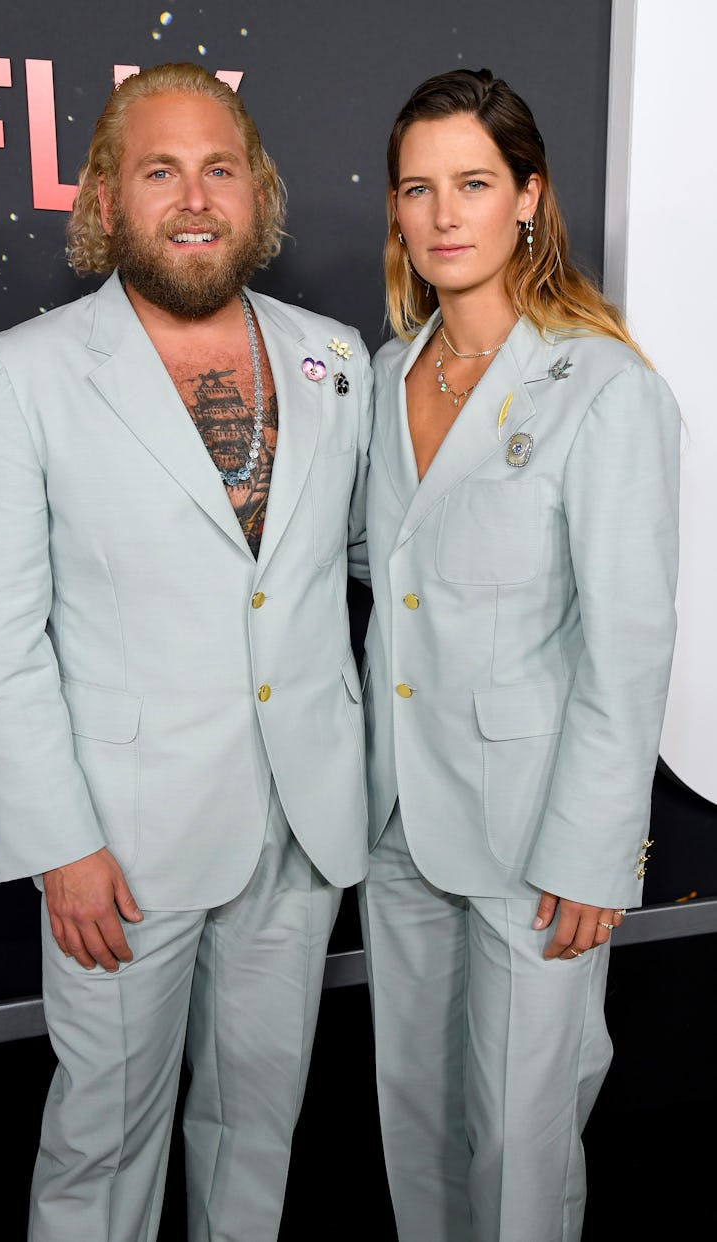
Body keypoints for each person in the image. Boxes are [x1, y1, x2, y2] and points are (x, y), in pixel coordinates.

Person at [0, 62, 371, 1242]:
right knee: (105, 1138)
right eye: (160, 171)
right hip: (120, 846)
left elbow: (372, 557)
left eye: (220, 169)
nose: (194, 198)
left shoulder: (339, 358)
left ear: (257, 191)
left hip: (300, 824)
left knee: (258, 1124)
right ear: (106, 197)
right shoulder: (19, 378)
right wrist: (59, 845)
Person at [360, 68, 680, 1242]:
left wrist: (595, 854)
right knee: (416, 1117)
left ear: (529, 197)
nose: (445, 215)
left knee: (519, 1142)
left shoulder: (603, 385)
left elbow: (630, 641)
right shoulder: (384, 374)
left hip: (536, 833)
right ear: (396, 210)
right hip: (398, 814)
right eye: (419, 189)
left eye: (475, 184)